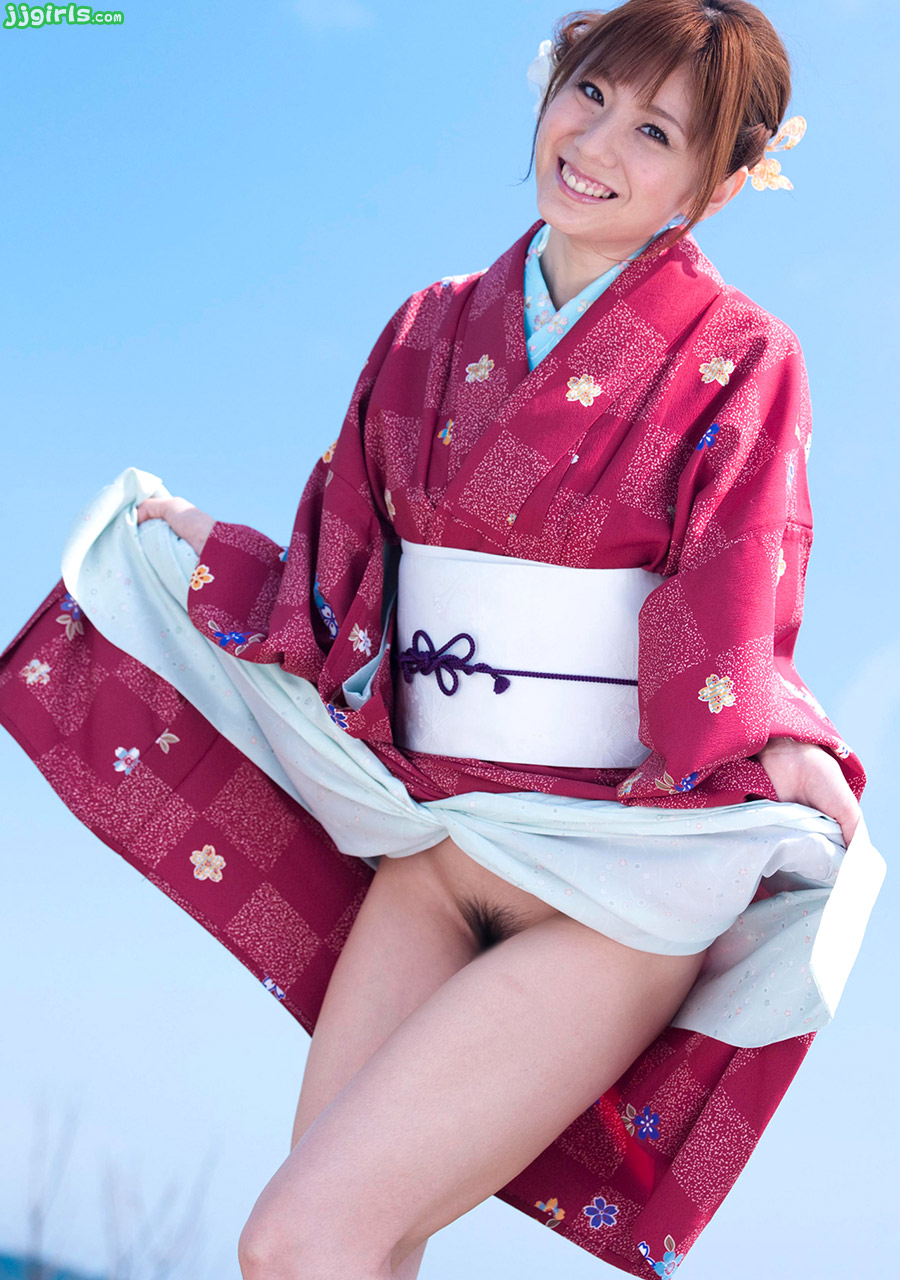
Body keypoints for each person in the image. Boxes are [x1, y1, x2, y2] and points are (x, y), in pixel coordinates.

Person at [0, 1, 886, 1276]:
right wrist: (210, 549)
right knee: (339, 1253)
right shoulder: (428, 326)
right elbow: (347, 582)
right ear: (551, 82)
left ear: (723, 179)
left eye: (655, 131)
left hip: (611, 884)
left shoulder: (744, 356)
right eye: (590, 94)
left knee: (299, 1238)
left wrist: (780, 735)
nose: (597, 144)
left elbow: (737, 586)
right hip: (436, 844)